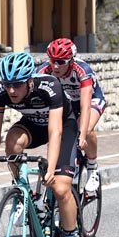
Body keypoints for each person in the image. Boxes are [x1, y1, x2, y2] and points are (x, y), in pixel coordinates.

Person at [0, 52, 80, 237]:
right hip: (32, 125)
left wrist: (51, 169)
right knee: (12, 141)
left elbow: (55, 132)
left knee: (61, 188)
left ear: (30, 81)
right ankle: (25, 193)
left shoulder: (49, 86)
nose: (11, 90)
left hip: (63, 127)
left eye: (17, 85)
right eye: (7, 84)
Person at [37, 38, 106, 192]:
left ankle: (92, 166)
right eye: (52, 60)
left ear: (71, 61)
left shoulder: (82, 70)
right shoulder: (43, 71)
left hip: (92, 100)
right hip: (68, 104)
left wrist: (82, 136)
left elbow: (85, 106)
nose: (55, 66)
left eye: (61, 62)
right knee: (57, 135)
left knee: (86, 129)